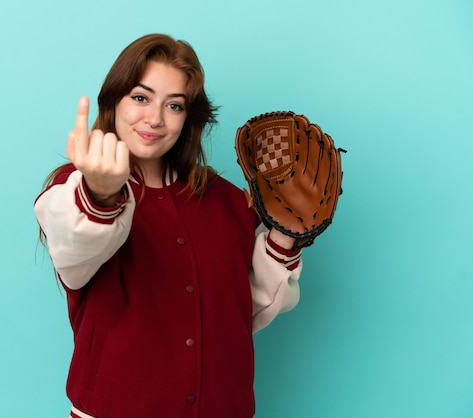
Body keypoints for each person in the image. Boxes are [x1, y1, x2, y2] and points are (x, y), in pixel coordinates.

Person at [34, 33, 303, 418]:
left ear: (188, 117)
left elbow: (245, 310)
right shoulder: (73, 188)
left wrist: (284, 235)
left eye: (173, 105)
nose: (155, 118)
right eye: (140, 98)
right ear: (114, 100)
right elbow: (74, 249)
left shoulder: (227, 199)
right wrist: (101, 192)